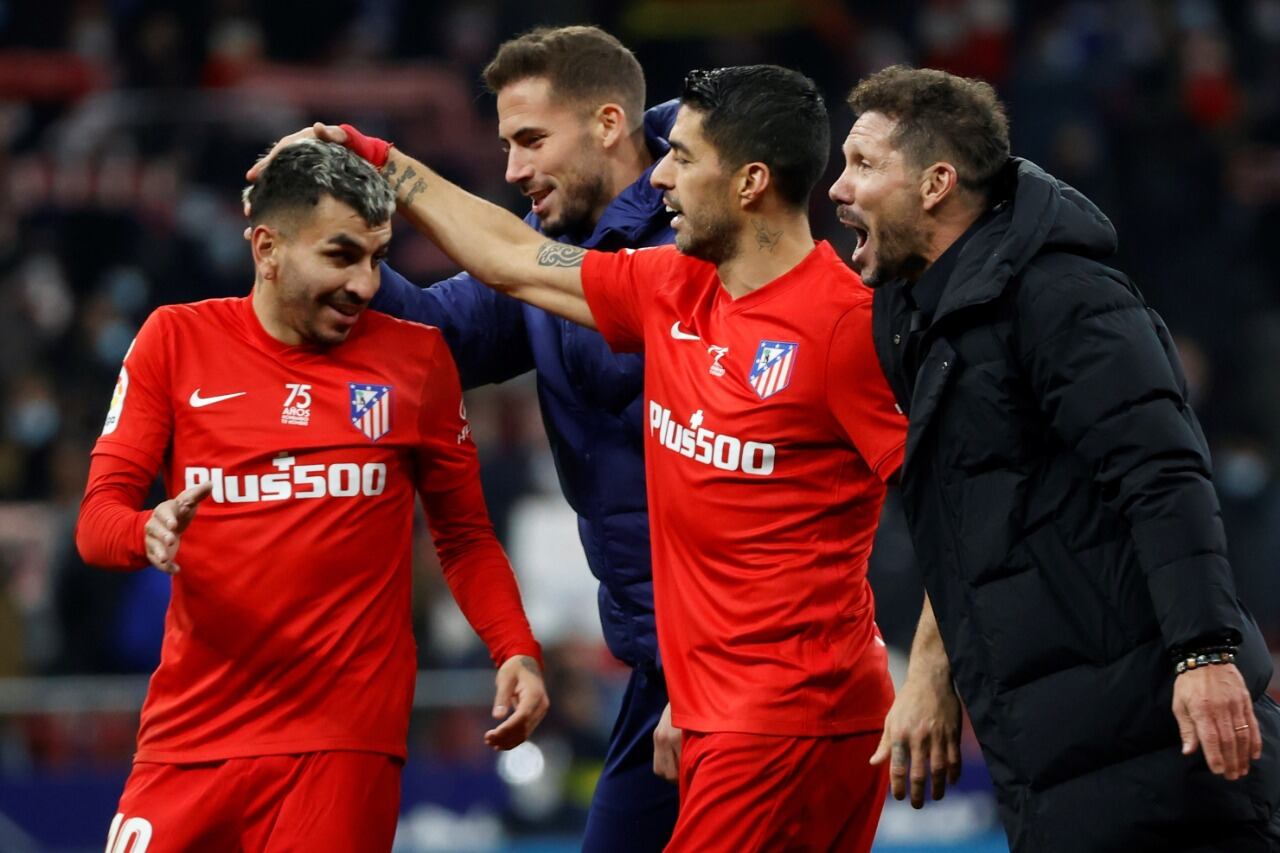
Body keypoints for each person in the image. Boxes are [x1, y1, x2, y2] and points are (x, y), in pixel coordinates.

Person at [261, 63, 908, 851]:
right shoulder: (669, 285)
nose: (662, 171)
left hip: (792, 715)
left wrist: (935, 684)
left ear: (750, 183)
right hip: (703, 694)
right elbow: (511, 257)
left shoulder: (845, 329)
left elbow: (959, 513)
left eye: (684, 157)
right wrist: (379, 161)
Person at [827, 64, 1280, 851]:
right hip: (1046, 752)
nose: (838, 187)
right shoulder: (913, 314)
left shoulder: (1062, 292)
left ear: (936, 184)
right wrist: (934, 672)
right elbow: (959, 521)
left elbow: (1163, 473)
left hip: (1159, 741)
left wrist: (1205, 654)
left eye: (863, 164)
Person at [75, 140, 548, 853]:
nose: (365, 282)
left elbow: (464, 536)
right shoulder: (174, 341)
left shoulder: (417, 359)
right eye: (341, 255)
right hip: (189, 733)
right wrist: (145, 530)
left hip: (342, 743)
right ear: (267, 248)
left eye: (377, 257)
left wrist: (515, 648)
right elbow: (95, 520)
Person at [364, 26, 681, 850]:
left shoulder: (699, 238)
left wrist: (390, 166)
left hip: (736, 653)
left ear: (610, 123)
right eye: (506, 142)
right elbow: (434, 334)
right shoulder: (552, 255)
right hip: (660, 661)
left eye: (531, 140)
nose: (511, 169)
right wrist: (352, 250)